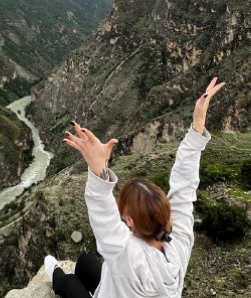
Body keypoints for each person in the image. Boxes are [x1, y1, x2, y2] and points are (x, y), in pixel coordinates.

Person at [44, 78, 226, 298]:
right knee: (83, 262)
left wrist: (97, 167)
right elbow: (185, 188)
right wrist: (198, 126)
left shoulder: (126, 255)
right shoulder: (178, 242)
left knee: (70, 282)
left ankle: (56, 275)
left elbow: (103, 216)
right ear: (167, 215)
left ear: (129, 221)